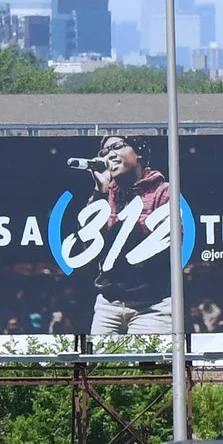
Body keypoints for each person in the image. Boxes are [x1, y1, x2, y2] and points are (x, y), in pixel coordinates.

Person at [83, 137, 180, 338]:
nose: (109, 155)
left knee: (147, 367)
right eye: (104, 152)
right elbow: (91, 245)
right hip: (108, 304)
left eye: (117, 147)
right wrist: (100, 192)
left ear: (139, 153)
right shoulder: (103, 196)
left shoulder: (164, 192)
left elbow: (167, 243)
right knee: (101, 367)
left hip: (152, 305)